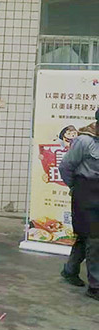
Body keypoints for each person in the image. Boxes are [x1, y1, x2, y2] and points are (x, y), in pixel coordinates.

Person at [59, 113, 99, 301]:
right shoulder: (84, 141)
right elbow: (65, 167)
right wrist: (75, 187)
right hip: (86, 193)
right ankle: (95, 286)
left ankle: (70, 270)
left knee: (86, 236)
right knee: (95, 239)